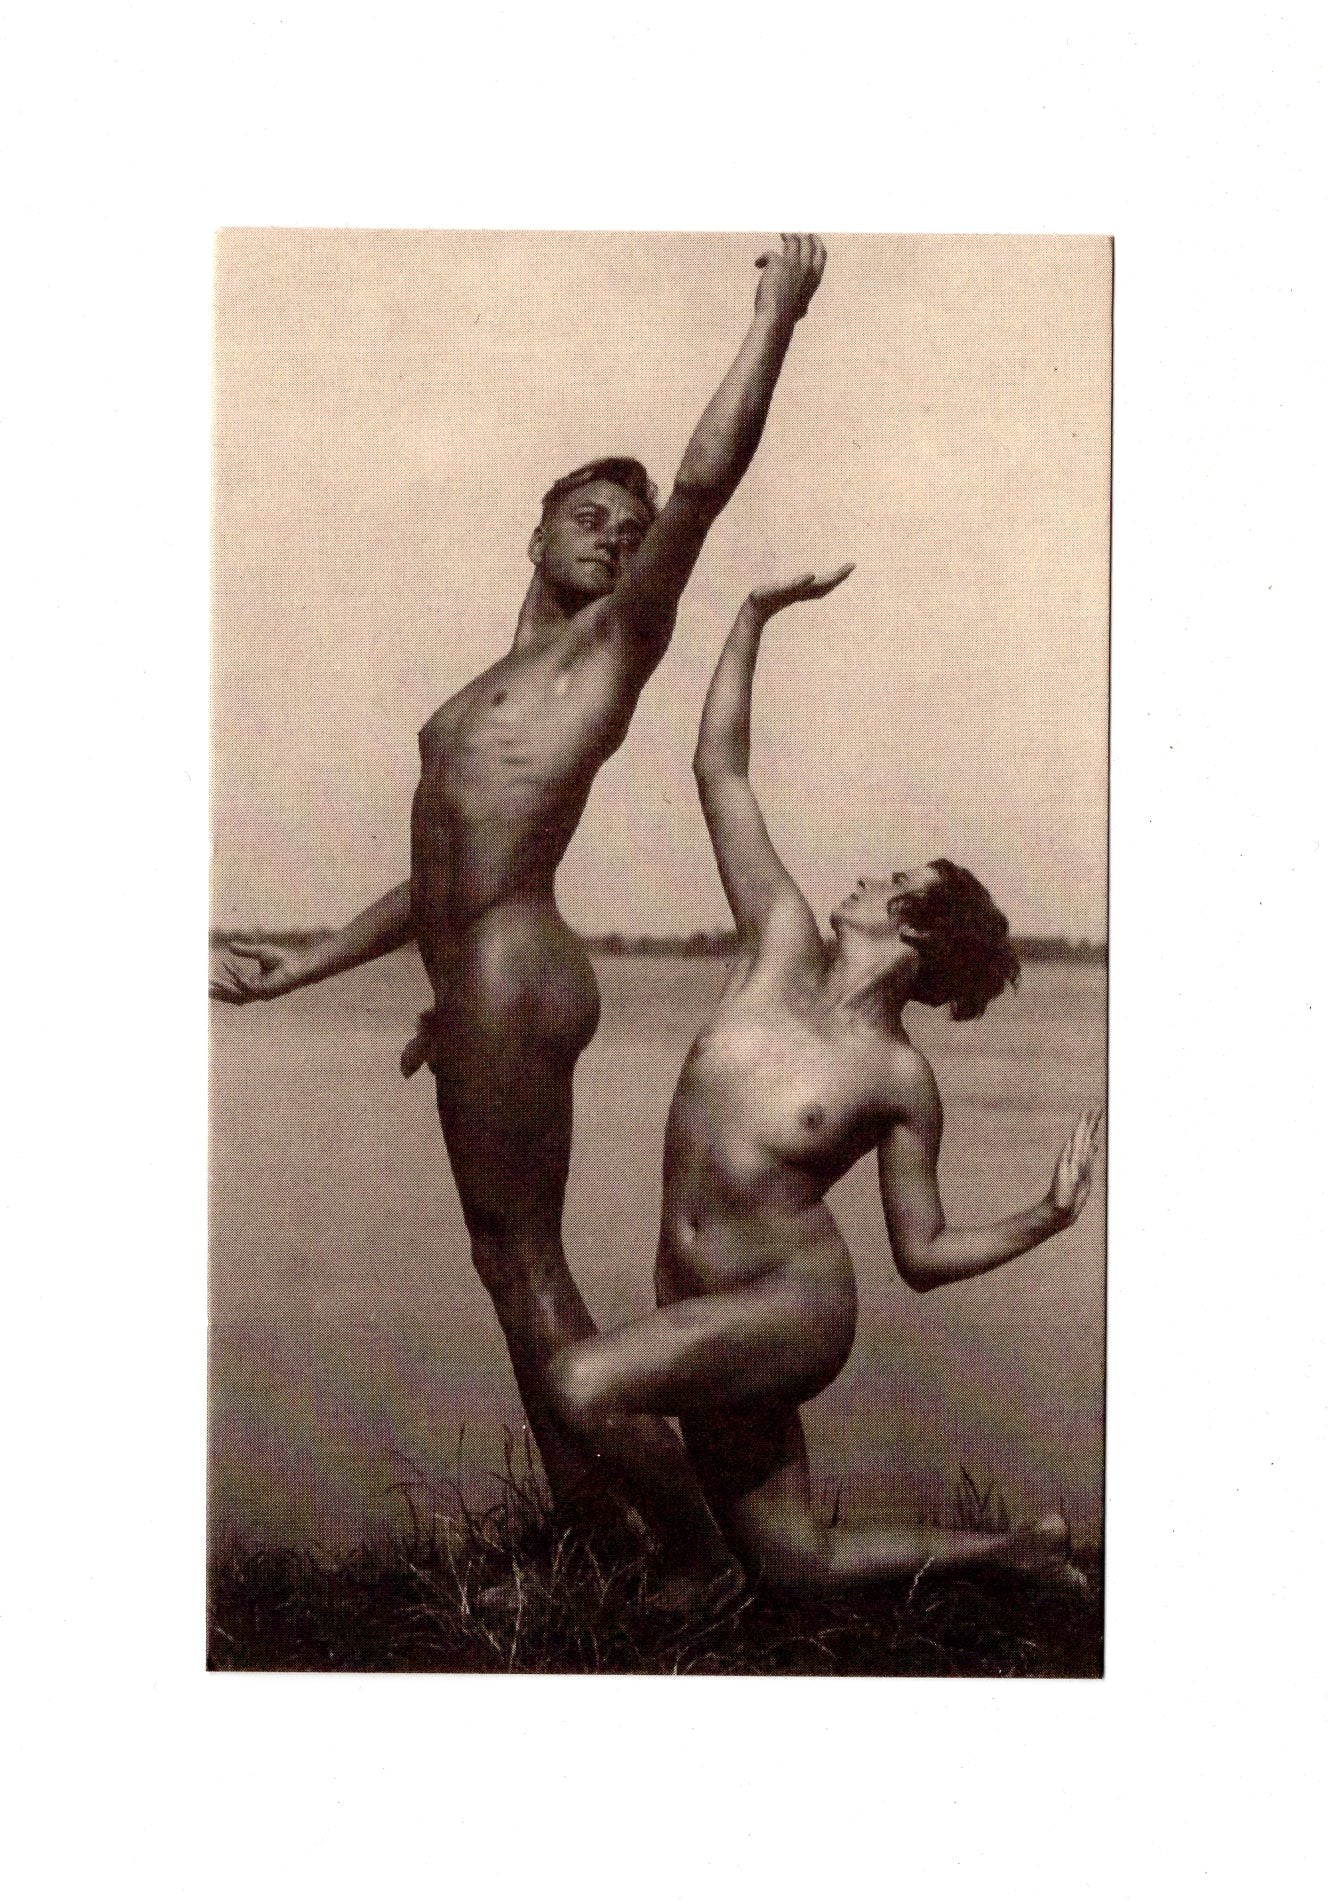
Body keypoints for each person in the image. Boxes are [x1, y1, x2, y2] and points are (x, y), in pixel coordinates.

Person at [210, 238, 828, 1579]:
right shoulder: (492, 686)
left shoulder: (610, 648)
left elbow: (702, 486)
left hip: (511, 969)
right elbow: (438, 876)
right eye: (592, 517)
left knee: (527, 1264)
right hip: (481, 970)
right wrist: (302, 967)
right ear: (535, 533)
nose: (617, 535)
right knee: (505, 1267)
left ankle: (692, 1558)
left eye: (629, 529)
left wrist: (774, 318)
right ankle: (592, 1534)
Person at [540, 569, 1102, 1597]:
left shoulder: (898, 1077)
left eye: (894, 881)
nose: (867, 878)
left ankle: (691, 1565)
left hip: (790, 1309)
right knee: (795, 1567)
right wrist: (753, 616)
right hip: (693, 1294)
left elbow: (921, 1254)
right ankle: (1015, 1550)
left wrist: (1046, 1217)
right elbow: (720, 771)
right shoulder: (777, 944)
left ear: (915, 927)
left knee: (578, 1384)